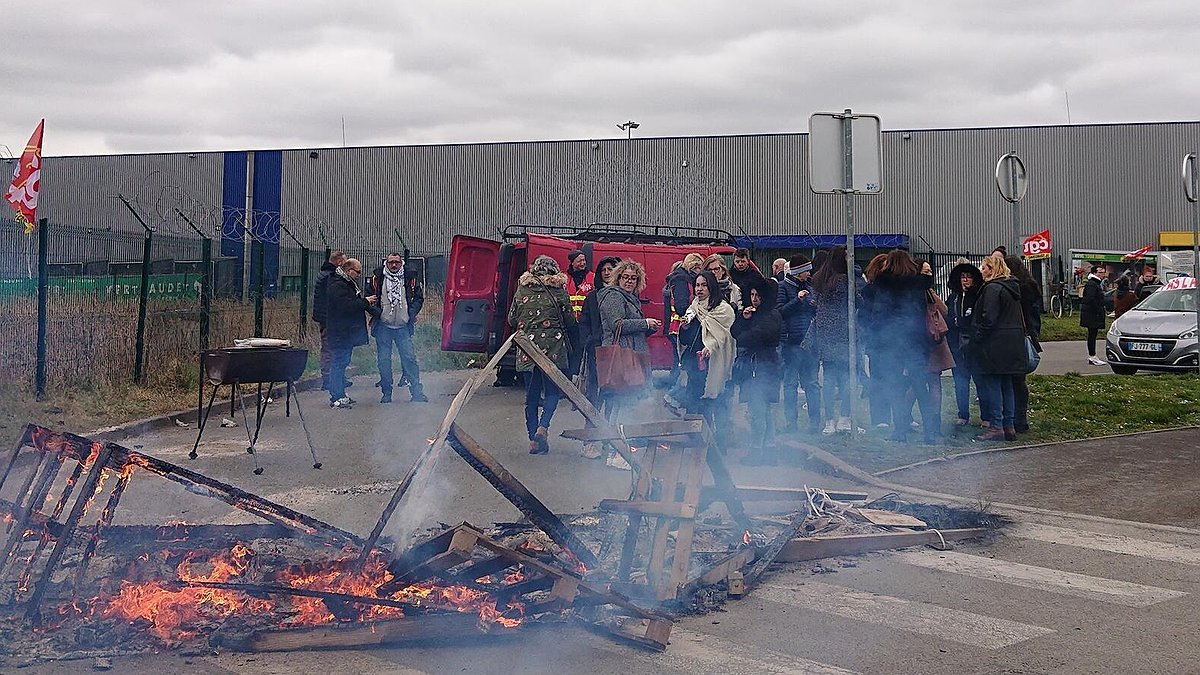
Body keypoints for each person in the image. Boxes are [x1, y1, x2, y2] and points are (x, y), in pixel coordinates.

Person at [507, 255, 577, 455]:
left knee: (531, 396)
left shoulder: (522, 290)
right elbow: (570, 321)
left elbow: (512, 319)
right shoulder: (559, 290)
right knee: (553, 391)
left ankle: (533, 440)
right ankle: (543, 426)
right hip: (553, 348)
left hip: (528, 350)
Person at [870, 249, 936, 443]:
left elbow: (879, 314)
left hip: (892, 342)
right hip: (915, 341)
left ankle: (899, 431)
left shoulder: (884, 284)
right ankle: (930, 433)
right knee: (920, 387)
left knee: (895, 387)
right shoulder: (919, 284)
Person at [970, 254, 1026, 441]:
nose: (981, 271)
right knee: (1007, 385)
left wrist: (976, 338)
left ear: (992, 270)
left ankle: (996, 425)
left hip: (995, 344)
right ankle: (1008, 425)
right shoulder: (1012, 288)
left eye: (984, 268)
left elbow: (989, 318)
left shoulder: (993, 288)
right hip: (1012, 343)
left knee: (993, 385)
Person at [597, 260, 662, 422]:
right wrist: (645, 323)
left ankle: (621, 438)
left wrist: (647, 329)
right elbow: (616, 325)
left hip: (632, 354)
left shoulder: (630, 297)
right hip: (622, 356)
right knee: (622, 401)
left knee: (628, 401)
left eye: (633, 278)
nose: (629, 281)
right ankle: (614, 441)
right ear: (618, 278)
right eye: (625, 277)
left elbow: (632, 332)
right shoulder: (613, 295)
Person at [679, 270, 737, 443]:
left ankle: (718, 442)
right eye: (697, 285)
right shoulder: (693, 308)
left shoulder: (723, 310)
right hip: (695, 364)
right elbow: (685, 339)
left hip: (715, 363)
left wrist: (710, 346)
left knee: (715, 403)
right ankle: (697, 439)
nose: (699, 289)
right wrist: (685, 327)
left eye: (704, 285)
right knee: (694, 401)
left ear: (711, 287)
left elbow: (726, 337)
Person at [806, 245, 857, 434]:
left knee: (828, 379)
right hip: (843, 334)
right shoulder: (844, 280)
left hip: (824, 333)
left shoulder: (820, 278)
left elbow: (815, 303)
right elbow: (856, 301)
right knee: (845, 378)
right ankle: (844, 418)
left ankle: (829, 421)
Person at [731, 278, 782, 464]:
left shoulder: (771, 316)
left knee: (758, 410)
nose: (754, 299)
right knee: (762, 409)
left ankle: (757, 450)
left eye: (758, 295)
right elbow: (735, 331)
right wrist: (743, 319)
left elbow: (749, 338)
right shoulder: (753, 314)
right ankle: (769, 450)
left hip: (763, 367)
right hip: (755, 366)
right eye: (752, 295)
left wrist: (745, 328)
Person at [369, 252, 427, 404]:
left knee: (409, 359)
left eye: (396, 262)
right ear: (386, 263)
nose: (393, 265)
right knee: (383, 360)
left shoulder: (410, 277)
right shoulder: (377, 278)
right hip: (383, 327)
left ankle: (417, 392)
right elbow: (368, 299)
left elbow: (419, 298)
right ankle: (386, 393)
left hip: (403, 326)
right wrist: (378, 313)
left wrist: (411, 313)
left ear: (401, 263)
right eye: (390, 262)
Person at [777, 254, 821, 433]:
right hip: (791, 342)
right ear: (797, 272)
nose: (809, 273)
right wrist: (797, 300)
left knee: (812, 383)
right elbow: (780, 312)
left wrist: (812, 303)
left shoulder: (812, 287)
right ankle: (791, 423)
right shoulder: (782, 288)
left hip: (810, 342)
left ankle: (815, 424)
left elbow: (817, 310)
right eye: (806, 270)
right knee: (790, 385)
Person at [325, 257, 376, 408]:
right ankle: (336, 395)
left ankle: (340, 393)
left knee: (342, 362)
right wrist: (365, 301)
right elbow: (346, 306)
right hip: (340, 332)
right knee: (338, 363)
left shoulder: (345, 283)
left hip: (345, 332)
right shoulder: (338, 285)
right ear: (349, 270)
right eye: (357, 272)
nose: (359, 275)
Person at [1005, 255, 1043, 433]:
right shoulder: (1030, 286)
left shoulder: (1016, 289)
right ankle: (1021, 419)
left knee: (1014, 382)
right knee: (1020, 381)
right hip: (1028, 333)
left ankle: (1016, 418)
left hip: (1017, 336)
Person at [663, 253, 705, 409]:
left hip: (678, 328)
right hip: (681, 329)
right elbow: (681, 307)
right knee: (684, 367)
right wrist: (696, 311)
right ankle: (672, 397)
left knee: (683, 366)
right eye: (696, 265)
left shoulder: (682, 279)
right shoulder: (682, 281)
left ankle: (675, 398)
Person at [947, 261, 985, 426]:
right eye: (963, 277)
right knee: (960, 382)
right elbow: (948, 317)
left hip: (974, 346)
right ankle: (963, 414)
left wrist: (961, 321)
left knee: (980, 382)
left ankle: (987, 416)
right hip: (957, 346)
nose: (965, 280)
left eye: (969, 277)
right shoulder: (954, 297)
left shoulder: (978, 296)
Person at [921, 259, 954, 440]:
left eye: (930, 271)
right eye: (926, 271)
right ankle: (933, 423)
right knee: (929, 383)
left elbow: (945, 310)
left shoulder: (924, 292)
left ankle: (930, 422)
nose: (929, 275)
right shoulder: (924, 291)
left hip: (928, 341)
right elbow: (945, 311)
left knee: (924, 382)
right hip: (933, 340)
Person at [858, 254, 891, 428]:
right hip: (877, 342)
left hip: (895, 341)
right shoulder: (869, 291)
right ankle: (880, 418)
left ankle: (902, 417)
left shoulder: (896, 290)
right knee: (878, 380)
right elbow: (863, 317)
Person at [312, 249, 347, 390]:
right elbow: (333, 299)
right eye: (344, 262)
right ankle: (328, 379)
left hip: (326, 316)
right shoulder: (330, 276)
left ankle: (336, 378)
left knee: (333, 347)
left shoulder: (325, 274)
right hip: (328, 318)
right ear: (339, 262)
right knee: (329, 348)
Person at [1080, 264, 1108, 365]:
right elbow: (1090, 299)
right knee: (1092, 335)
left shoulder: (1095, 283)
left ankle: (1093, 356)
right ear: (1094, 273)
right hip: (1092, 314)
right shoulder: (1092, 284)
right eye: (1100, 272)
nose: (1102, 274)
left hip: (1092, 313)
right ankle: (1092, 356)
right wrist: (1098, 309)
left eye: (1103, 272)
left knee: (1093, 334)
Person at [564, 249, 594, 321]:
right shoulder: (565, 279)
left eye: (584, 260)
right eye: (579, 261)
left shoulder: (592, 277)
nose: (583, 263)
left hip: (587, 320)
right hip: (570, 320)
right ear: (572, 263)